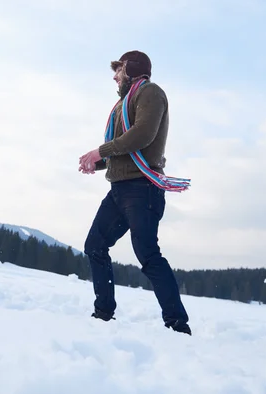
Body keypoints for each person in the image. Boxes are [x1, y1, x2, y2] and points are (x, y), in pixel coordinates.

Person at [78, 51, 192, 335]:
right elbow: (125, 149)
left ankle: (178, 326)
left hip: (143, 189)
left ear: (131, 69)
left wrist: (101, 151)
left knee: (147, 255)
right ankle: (103, 313)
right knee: (94, 245)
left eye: (119, 70)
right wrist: (99, 161)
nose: (115, 76)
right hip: (120, 188)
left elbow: (142, 135)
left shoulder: (151, 93)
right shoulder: (121, 104)